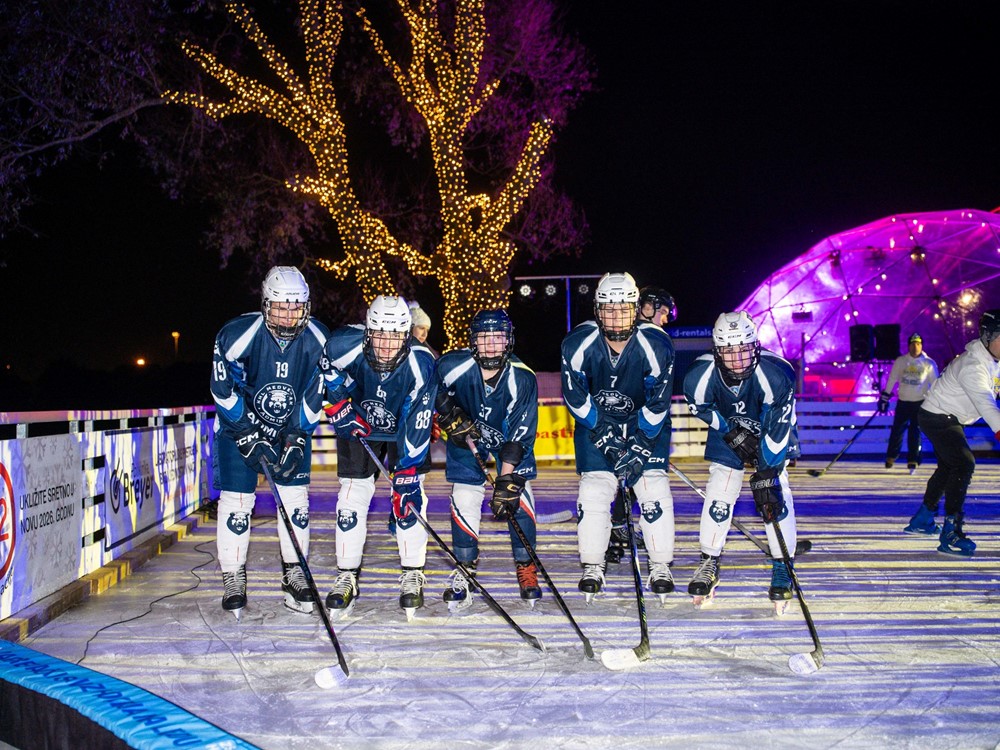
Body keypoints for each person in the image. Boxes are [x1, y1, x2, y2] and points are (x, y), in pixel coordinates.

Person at [210, 266, 330, 619]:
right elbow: (222, 389)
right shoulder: (237, 334)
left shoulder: (319, 338)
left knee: (295, 501)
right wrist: (246, 432)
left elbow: (314, 394)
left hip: (287, 428)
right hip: (238, 426)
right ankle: (233, 576)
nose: (288, 315)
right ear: (265, 304)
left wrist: (297, 434)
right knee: (237, 501)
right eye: (280, 306)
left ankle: (294, 572)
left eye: (296, 307)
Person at [560, 272, 676, 603]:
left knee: (652, 486)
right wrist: (604, 433)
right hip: (597, 423)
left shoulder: (656, 344)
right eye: (608, 310)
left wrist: (640, 442)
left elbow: (659, 402)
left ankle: (659, 564)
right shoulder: (577, 343)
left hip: (644, 423)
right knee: (594, 489)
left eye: (622, 309)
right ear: (598, 311)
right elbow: (576, 397)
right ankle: (593, 564)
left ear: (635, 309)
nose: (615, 317)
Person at [321, 296, 437, 618]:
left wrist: (409, 471)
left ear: (407, 334)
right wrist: (337, 402)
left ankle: (412, 571)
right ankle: (347, 574)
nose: (387, 345)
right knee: (351, 497)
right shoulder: (345, 344)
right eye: (380, 335)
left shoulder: (421, 362)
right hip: (360, 423)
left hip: (403, 427)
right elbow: (326, 365)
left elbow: (418, 418)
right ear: (368, 332)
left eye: (395, 336)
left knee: (410, 499)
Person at [683, 311, 800, 613]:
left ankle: (782, 564)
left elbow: (776, 430)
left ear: (755, 346)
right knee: (719, 490)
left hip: (769, 430)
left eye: (743, 349)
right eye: (729, 350)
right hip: (728, 431)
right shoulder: (699, 376)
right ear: (717, 351)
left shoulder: (776, 375)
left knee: (774, 493)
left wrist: (767, 473)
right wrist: (730, 431)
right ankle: (709, 561)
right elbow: (702, 407)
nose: (737, 359)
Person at [435, 309, 541, 610]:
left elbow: (518, 437)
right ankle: (465, 568)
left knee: (518, 495)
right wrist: (445, 411)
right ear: (474, 341)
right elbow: (427, 386)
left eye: (499, 338)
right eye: (485, 338)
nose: (492, 345)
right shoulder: (452, 366)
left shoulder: (522, 378)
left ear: (509, 341)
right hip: (465, 438)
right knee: (465, 494)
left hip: (507, 440)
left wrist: (505, 479)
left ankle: (526, 565)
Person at [903, 309, 1000, 556]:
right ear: (988, 337)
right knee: (963, 463)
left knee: (948, 466)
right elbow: (987, 406)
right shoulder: (973, 366)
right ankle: (951, 532)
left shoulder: (993, 361)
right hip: (937, 416)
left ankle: (923, 518)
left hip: (948, 416)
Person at [878, 332, 938, 472]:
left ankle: (913, 459)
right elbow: (892, 379)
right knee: (897, 430)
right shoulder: (901, 361)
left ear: (921, 346)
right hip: (903, 401)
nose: (915, 347)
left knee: (915, 432)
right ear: (908, 346)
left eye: (918, 344)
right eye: (912, 344)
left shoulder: (928, 363)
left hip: (919, 402)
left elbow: (935, 383)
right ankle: (891, 457)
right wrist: (885, 396)